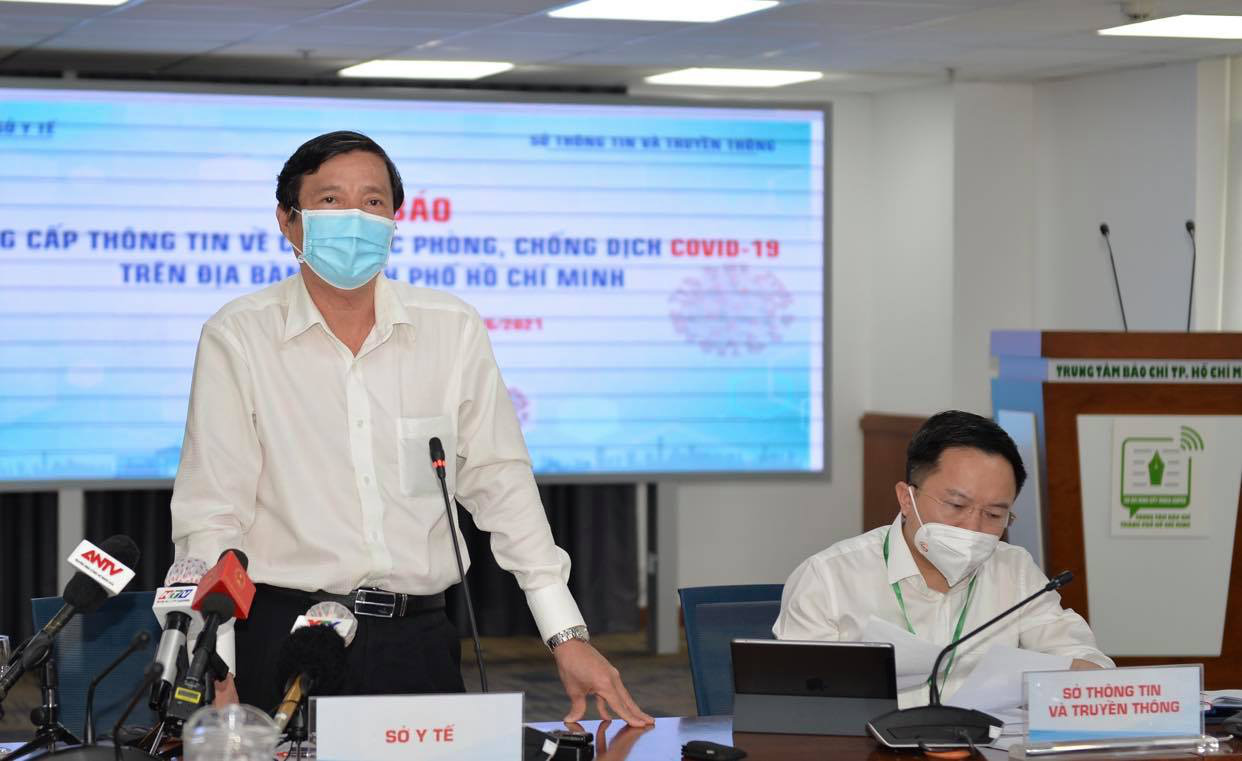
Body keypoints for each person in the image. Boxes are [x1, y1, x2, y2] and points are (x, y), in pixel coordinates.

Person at [170, 130, 652, 727]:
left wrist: (565, 633)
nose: (355, 219)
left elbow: (500, 481)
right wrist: (214, 663)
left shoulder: (451, 328)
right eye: (330, 201)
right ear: (288, 221)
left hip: (416, 639)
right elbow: (211, 514)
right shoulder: (239, 335)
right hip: (285, 637)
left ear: (395, 220)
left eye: (373, 202)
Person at [773, 410, 1112, 707]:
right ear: (906, 499)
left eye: (994, 514)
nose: (973, 527)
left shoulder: (1014, 570)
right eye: (956, 505)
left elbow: (1084, 661)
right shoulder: (828, 578)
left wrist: (1083, 674)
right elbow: (794, 702)